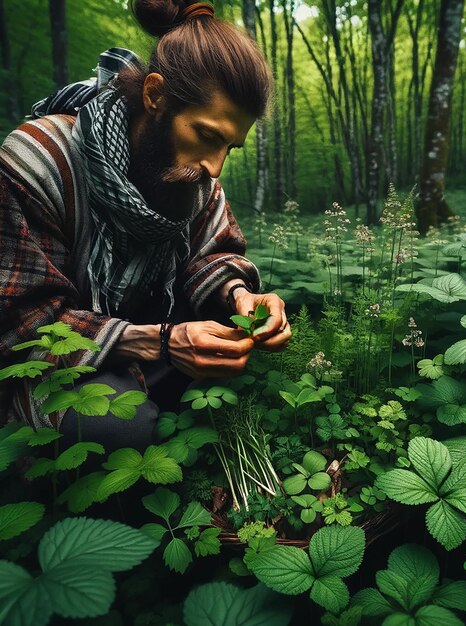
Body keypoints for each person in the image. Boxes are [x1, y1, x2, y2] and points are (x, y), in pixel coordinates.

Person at [0, 0, 291, 448]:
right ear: (155, 96)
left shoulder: (194, 179)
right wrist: (159, 341)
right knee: (115, 426)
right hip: (60, 362)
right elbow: (23, 321)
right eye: (208, 135)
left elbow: (212, 255)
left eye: (230, 147)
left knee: (240, 351)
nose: (215, 168)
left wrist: (240, 295)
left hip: (148, 340)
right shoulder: (40, 161)